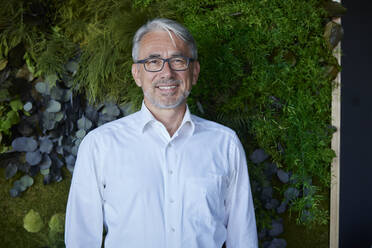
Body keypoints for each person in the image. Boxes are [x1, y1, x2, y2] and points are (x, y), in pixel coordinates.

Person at [65, 18, 258, 248]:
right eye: (153, 61)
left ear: (194, 72)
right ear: (137, 74)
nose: (166, 72)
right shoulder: (100, 145)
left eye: (177, 60)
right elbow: (81, 239)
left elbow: (243, 237)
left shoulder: (225, 144)